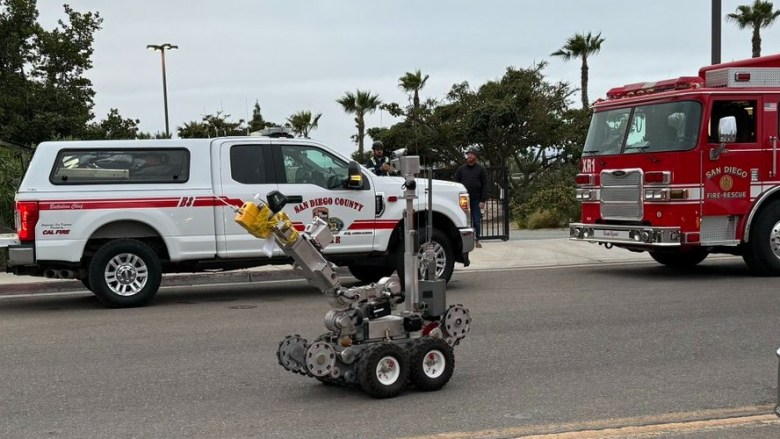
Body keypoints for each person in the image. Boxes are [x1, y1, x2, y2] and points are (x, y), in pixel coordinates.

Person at [454, 148, 488, 248]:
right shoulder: (461, 169)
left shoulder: (481, 169)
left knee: (476, 221)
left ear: (476, 157)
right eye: (468, 154)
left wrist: (483, 200)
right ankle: (462, 241)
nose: (469, 156)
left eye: (471, 154)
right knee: (462, 220)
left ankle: (477, 239)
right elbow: (456, 184)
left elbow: (485, 185)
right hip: (463, 199)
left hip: (476, 199)